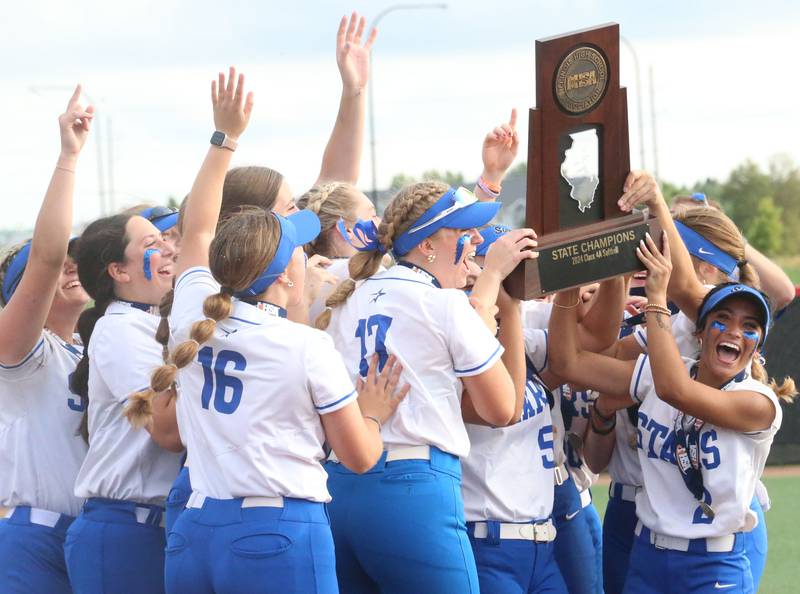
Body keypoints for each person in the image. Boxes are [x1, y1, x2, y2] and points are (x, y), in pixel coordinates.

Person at [128, 66, 405, 594]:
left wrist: (224, 138)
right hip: (274, 531)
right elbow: (361, 457)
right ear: (282, 273)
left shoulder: (191, 306)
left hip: (197, 525)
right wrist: (373, 412)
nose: (306, 249)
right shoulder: (303, 344)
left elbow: (201, 227)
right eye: (296, 243)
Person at [317, 180, 536, 593]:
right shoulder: (445, 303)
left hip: (341, 485)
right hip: (412, 490)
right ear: (427, 245)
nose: (473, 241)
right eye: (462, 232)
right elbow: (502, 410)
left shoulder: (349, 296)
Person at [549, 231, 795, 594]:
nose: (734, 332)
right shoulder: (654, 373)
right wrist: (567, 286)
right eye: (722, 319)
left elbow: (676, 390)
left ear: (758, 343)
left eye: (750, 327)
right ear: (699, 332)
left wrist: (656, 300)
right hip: (649, 555)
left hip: (714, 564)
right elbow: (567, 362)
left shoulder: (758, 403)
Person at [64, 194, 184, 592]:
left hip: (152, 527)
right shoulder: (120, 329)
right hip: (125, 531)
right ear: (119, 270)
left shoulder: (151, 322)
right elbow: (168, 432)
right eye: (151, 245)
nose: (169, 247)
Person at [0, 86, 93, 594]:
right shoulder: (18, 350)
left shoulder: (85, 348)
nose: (70, 266)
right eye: (64, 263)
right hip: (31, 538)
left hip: (86, 535)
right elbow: (46, 259)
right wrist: (69, 157)